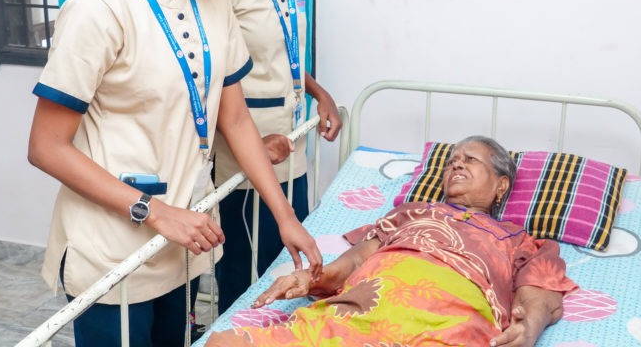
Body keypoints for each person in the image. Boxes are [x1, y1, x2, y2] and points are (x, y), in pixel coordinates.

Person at [26, 0, 321, 347]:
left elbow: (237, 121)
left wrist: (286, 217)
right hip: (115, 249)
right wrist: (154, 211)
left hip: (183, 244)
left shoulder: (211, 0)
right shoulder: (100, 9)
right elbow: (46, 147)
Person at [205, 136, 579, 347]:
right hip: (361, 310)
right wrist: (311, 278)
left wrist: (528, 329)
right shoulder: (409, 213)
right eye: (450, 161)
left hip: (446, 323)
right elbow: (351, 264)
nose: (456, 166)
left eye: (470, 160)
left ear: (501, 186)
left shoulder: (520, 241)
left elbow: (539, 293)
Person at [213, 0, 342, 315]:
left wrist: (319, 92)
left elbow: (283, 51)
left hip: (290, 146)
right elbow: (211, 72)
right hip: (245, 154)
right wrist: (249, 142)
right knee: (247, 279)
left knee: (290, 267)